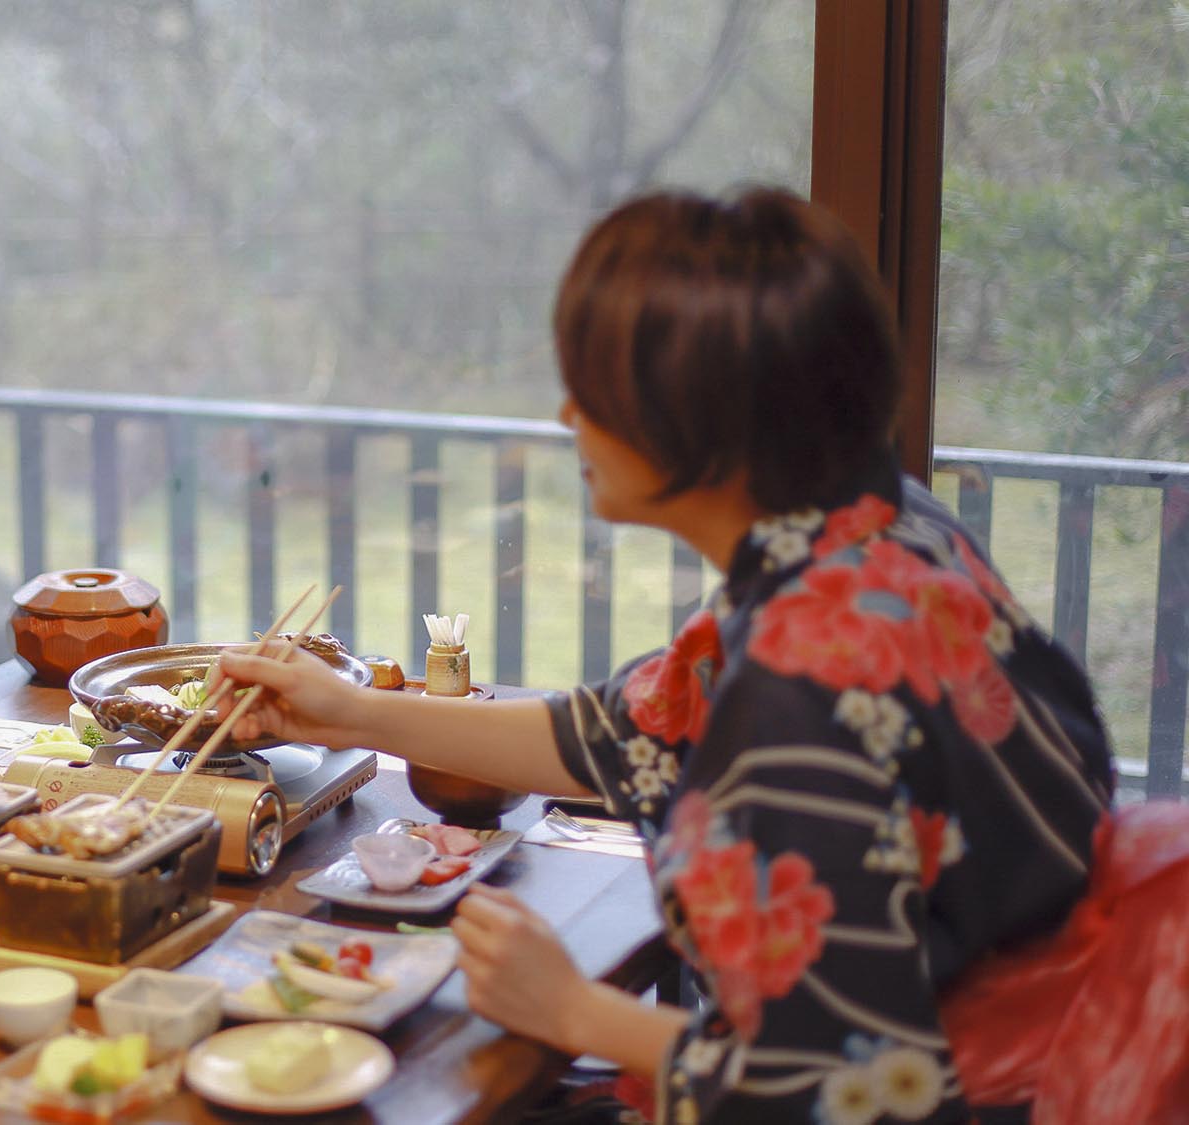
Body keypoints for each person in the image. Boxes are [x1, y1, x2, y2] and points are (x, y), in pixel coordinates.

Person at [215, 188, 1164, 1122]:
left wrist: (575, 1010)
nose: (564, 419)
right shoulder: (877, 531)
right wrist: (347, 707)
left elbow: (845, 1091)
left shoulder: (802, 685)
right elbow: (618, 732)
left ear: (694, 418)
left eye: (592, 392)